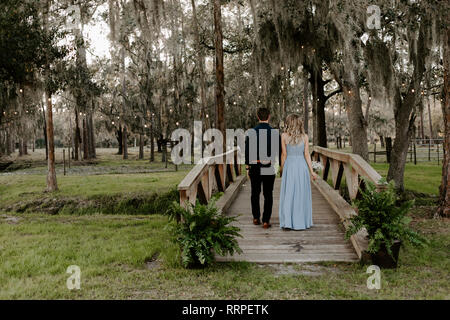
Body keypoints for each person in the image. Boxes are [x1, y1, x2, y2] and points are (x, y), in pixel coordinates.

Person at [279, 114, 317, 230]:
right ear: (299, 123)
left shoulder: (284, 136)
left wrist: (281, 168)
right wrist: (311, 171)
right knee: (301, 194)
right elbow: (306, 155)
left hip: (289, 166)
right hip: (301, 167)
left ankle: (288, 222)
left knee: (289, 193)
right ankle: (301, 222)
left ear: (289, 123)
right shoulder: (305, 137)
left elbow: (284, 154)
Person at [245, 108, 280, 229]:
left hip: (255, 165)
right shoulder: (274, 133)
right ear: (269, 116)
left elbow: (247, 151)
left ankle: (256, 217)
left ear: (257, 116)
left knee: (255, 193)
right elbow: (278, 151)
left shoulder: (252, 132)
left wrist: (247, 167)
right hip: (269, 165)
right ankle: (266, 220)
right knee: (268, 194)